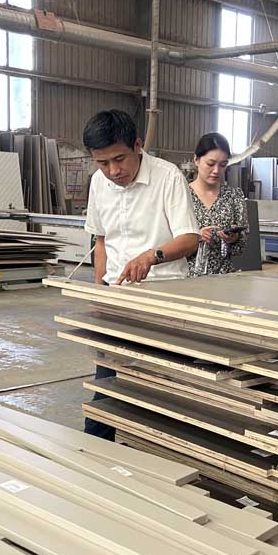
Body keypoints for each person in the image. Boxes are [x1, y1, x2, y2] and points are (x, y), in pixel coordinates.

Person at [81, 109, 199, 439]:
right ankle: (97, 450)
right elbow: (101, 241)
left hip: (164, 303)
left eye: (119, 159)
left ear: (137, 146)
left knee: (160, 390)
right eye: (103, 163)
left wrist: (152, 256)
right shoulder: (99, 183)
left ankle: (156, 450)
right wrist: (99, 292)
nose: (113, 171)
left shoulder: (167, 177)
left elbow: (189, 238)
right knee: (109, 385)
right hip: (118, 302)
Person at [187, 133, 247, 276]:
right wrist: (195, 238)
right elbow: (166, 241)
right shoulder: (182, 195)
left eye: (223, 165)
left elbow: (242, 245)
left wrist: (234, 238)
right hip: (187, 278)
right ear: (196, 160)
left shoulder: (234, 196)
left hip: (224, 278)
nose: (216, 171)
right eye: (210, 164)